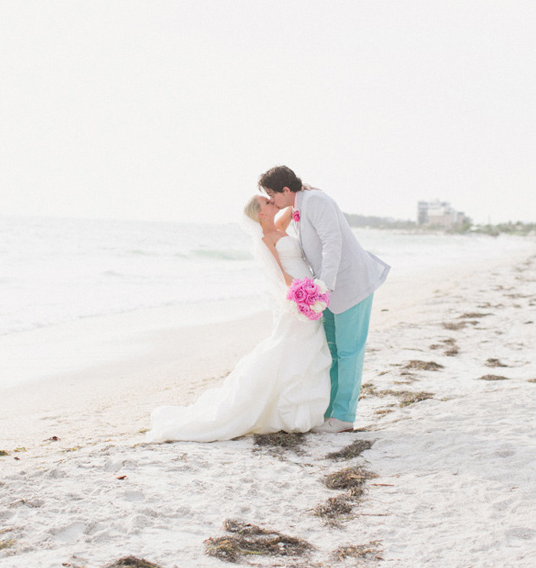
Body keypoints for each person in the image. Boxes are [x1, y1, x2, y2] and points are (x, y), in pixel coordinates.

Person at [146, 195, 331, 443]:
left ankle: (299, 409)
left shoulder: (279, 228)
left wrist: (300, 192)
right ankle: (286, 410)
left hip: (308, 291)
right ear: (261, 214)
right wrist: (302, 296)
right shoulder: (265, 239)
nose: (271, 201)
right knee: (291, 347)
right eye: (266, 202)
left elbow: (294, 203)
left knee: (306, 349)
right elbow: (281, 274)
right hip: (297, 297)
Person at [259, 166, 390, 433]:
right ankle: (330, 412)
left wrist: (324, 286)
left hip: (349, 284)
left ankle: (344, 417)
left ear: (286, 190)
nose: (272, 201)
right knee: (331, 351)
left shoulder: (317, 201)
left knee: (349, 351)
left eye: (273, 194)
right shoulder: (301, 205)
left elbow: (333, 243)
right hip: (327, 291)